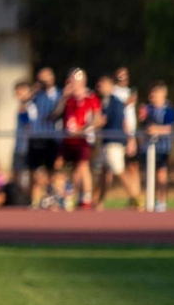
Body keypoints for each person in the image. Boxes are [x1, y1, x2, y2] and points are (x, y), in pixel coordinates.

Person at [94, 74, 141, 209]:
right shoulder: (105, 101)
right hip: (106, 141)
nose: (99, 87)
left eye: (102, 84)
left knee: (119, 170)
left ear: (110, 85)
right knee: (104, 172)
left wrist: (89, 125)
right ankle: (99, 202)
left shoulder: (115, 102)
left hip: (114, 141)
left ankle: (135, 198)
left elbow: (109, 121)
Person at [54, 69, 100, 209]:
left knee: (82, 166)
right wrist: (63, 98)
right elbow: (56, 114)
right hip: (68, 139)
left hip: (83, 139)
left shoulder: (90, 97)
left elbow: (98, 119)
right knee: (67, 168)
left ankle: (85, 197)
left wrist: (81, 130)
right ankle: (69, 195)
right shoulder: (68, 99)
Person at [139, 81, 174, 211]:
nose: (153, 95)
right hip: (147, 147)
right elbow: (143, 126)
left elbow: (170, 128)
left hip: (162, 147)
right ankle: (147, 199)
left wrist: (157, 129)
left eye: (156, 92)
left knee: (161, 172)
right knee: (147, 173)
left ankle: (162, 200)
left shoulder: (168, 109)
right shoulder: (148, 108)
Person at [26, 70, 62, 205]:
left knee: (52, 170)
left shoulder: (59, 94)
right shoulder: (36, 95)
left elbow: (57, 113)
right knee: (34, 170)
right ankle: (34, 201)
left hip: (51, 138)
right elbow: (25, 103)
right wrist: (34, 89)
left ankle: (52, 197)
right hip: (36, 137)